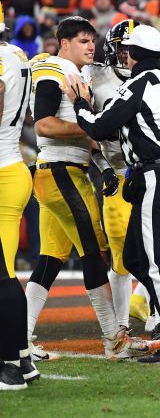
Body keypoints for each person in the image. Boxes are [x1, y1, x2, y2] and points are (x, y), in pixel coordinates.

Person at [65, 24, 160, 363]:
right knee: (135, 258)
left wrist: (80, 103)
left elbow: (100, 126)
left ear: (132, 54)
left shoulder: (138, 84)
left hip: (155, 177)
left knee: (152, 263)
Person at [26, 17, 152, 361]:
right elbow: (44, 124)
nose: (90, 46)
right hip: (60, 172)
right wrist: (90, 128)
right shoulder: (56, 68)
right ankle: (113, 337)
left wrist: (101, 161)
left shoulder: (75, 73)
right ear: (63, 42)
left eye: (92, 40)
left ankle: (18, 339)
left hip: (61, 171)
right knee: (95, 252)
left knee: (50, 259)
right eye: (83, 40)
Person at [82, 19, 139, 333]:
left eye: (132, 48)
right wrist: (102, 168)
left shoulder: (154, 78)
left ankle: (158, 319)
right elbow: (84, 128)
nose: (127, 54)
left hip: (146, 172)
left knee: (156, 248)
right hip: (116, 172)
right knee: (118, 248)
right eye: (122, 47)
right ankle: (121, 324)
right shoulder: (96, 75)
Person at [0, 24, 38, 389]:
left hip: (1, 171)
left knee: (3, 274)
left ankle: (9, 365)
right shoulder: (15, 53)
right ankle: (23, 357)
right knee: (6, 270)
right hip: (11, 165)